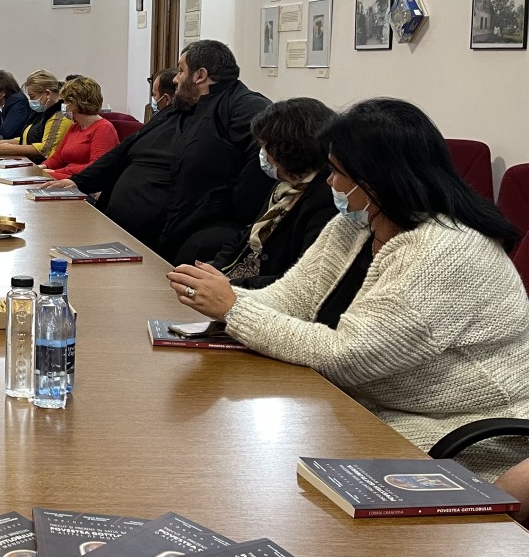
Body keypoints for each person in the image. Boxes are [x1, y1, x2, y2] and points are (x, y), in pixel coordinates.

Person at [168, 98, 529, 481]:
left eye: (337, 171)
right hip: (367, 402)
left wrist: (233, 308)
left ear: (376, 178)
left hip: (457, 431)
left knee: (268, 465)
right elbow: (291, 299)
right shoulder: (356, 224)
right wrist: (220, 297)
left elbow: (349, 356)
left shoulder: (445, 252)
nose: (329, 182)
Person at [52, 40, 271, 261]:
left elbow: (260, 160)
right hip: (115, 221)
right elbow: (126, 149)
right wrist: (79, 182)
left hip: (176, 230)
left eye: (181, 71)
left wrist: (239, 211)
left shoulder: (243, 105)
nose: (175, 79)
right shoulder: (179, 107)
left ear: (200, 75)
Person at [211, 98, 337, 288]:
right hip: (237, 279)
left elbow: (299, 279)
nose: (262, 154)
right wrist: (214, 268)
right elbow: (245, 236)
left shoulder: (325, 200)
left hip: (264, 291)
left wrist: (231, 284)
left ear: (288, 148)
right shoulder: (284, 186)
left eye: (264, 146)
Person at [0, 69, 68, 161]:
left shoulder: (59, 116)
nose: (30, 101)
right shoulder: (41, 112)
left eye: (32, 97)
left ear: (48, 94)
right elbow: (26, 138)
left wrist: (11, 149)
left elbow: (45, 149)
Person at [41, 76, 119, 179]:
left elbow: (96, 167)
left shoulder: (104, 128)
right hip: (68, 177)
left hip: (85, 181)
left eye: (65, 102)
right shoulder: (75, 126)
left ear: (76, 103)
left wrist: (56, 172)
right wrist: (42, 167)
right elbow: (58, 157)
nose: (63, 105)